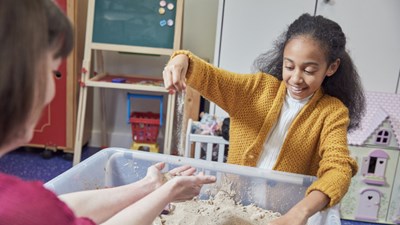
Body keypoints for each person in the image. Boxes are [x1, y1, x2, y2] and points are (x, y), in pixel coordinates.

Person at [0, 0, 216, 225]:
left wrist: (150, 186)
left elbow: (54, 209)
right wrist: (167, 192)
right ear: (17, 78)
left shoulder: (21, 200)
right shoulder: (17, 207)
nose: (51, 92)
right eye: (52, 71)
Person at [163, 13, 365, 225]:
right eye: (289, 66)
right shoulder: (256, 89)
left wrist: (300, 213)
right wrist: (181, 59)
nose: (296, 78)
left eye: (309, 70)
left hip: (284, 214)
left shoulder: (332, 112)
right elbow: (207, 76)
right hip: (233, 206)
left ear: (331, 68)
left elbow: (339, 169)